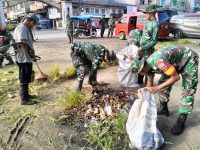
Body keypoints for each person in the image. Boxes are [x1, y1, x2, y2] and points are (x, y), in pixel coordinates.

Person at [131, 45, 199, 135]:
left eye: (140, 73)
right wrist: (145, 96)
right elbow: (149, 85)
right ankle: (164, 109)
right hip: (174, 63)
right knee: (163, 83)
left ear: (143, 68)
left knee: (188, 88)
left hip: (188, 59)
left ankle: (182, 119)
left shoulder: (159, 63)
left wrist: (157, 88)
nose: (141, 75)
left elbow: (176, 77)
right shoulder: (147, 68)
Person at [14, 16, 38, 105]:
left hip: (26, 57)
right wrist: (31, 51)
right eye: (33, 24)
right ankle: (24, 100)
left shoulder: (25, 28)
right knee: (24, 78)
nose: (33, 26)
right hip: (23, 58)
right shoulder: (22, 28)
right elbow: (22, 42)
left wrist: (31, 52)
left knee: (27, 77)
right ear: (30, 21)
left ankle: (27, 95)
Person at [138, 4, 160, 85]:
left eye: (146, 13)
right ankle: (139, 83)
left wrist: (143, 47)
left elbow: (154, 41)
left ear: (151, 13)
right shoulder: (148, 23)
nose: (145, 15)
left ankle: (148, 86)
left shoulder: (156, 24)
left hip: (148, 51)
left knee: (148, 68)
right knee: (140, 66)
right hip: (141, 49)